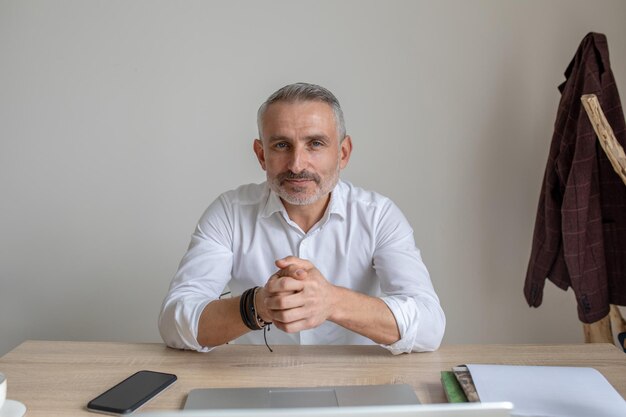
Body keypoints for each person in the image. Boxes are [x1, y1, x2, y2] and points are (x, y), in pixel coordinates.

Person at [158, 83, 445, 354]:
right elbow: (173, 322)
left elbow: (430, 327)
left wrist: (331, 301)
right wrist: (257, 306)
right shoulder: (229, 212)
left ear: (342, 153)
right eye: (282, 145)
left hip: (355, 384)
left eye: (315, 144)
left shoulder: (379, 216)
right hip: (254, 386)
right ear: (261, 155)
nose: (297, 165)